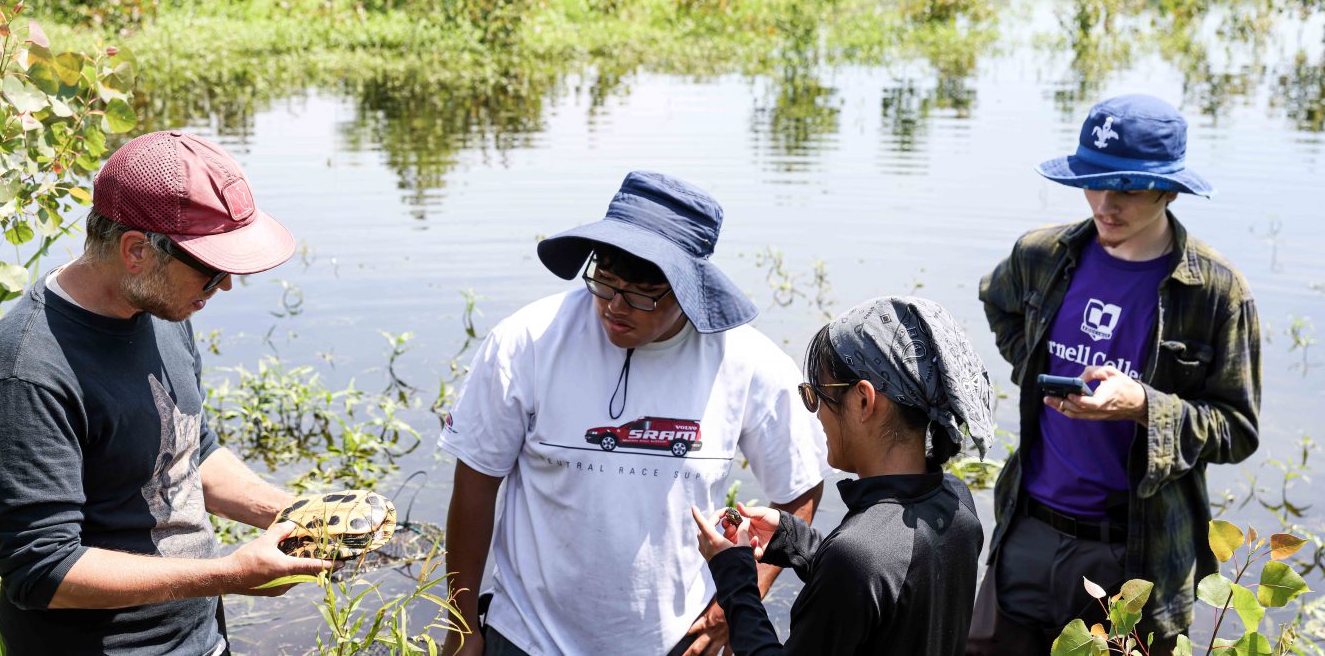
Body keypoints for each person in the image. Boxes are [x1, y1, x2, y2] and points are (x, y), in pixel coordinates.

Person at [0, 131, 335, 654]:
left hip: (200, 640)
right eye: (210, 271)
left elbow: (190, 453)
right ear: (137, 250)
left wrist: (297, 514)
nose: (224, 286)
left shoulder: (161, 307)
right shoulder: (27, 372)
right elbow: (41, 571)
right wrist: (228, 574)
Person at [438, 171, 830, 656]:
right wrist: (462, 625)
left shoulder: (748, 363)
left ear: (689, 290)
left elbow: (799, 484)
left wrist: (738, 601)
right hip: (525, 636)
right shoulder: (527, 343)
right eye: (605, 281)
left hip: (677, 640)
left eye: (642, 294)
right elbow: (476, 483)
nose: (614, 307)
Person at [969, 94, 1262, 654]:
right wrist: (1034, 367)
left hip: (1134, 552)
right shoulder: (1042, 254)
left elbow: (1237, 430)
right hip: (1026, 530)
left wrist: (1145, 406)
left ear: (1169, 189)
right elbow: (996, 299)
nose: (1106, 203)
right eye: (1093, 180)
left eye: (1127, 187)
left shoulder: (1217, 292)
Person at [694, 296, 991, 655]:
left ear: (864, 400)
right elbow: (890, 579)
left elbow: (866, 568)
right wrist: (792, 539)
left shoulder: (858, 554)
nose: (816, 413)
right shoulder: (956, 500)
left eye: (816, 394)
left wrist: (734, 576)